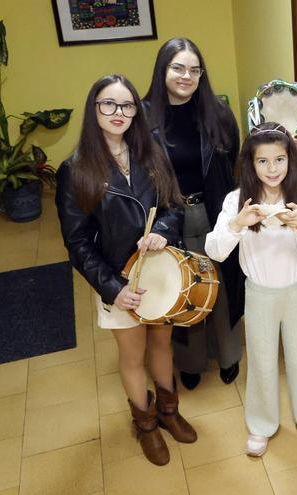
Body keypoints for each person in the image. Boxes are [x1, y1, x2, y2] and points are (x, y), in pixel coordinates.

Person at [56, 74, 195, 466]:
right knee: (133, 356)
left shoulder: (151, 152)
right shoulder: (76, 169)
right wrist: (113, 288)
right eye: (108, 104)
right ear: (94, 109)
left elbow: (173, 205)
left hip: (160, 274)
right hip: (119, 282)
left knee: (162, 345)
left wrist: (164, 231)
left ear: (137, 111)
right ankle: (146, 424)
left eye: (127, 105)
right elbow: (77, 243)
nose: (118, 112)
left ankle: (169, 410)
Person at [204, 122, 297, 456]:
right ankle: (261, 425)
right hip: (258, 293)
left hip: (296, 290)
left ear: (290, 161)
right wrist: (237, 224)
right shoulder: (237, 200)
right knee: (261, 361)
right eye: (263, 161)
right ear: (250, 163)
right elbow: (215, 250)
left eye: (279, 160)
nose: (272, 169)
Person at [143, 37, 243, 390]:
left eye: (194, 70)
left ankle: (229, 354)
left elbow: (234, 163)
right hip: (169, 218)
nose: (187, 76)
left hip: (213, 210)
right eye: (178, 68)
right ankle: (191, 360)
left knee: (221, 283)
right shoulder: (143, 117)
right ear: (163, 70)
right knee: (183, 286)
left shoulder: (218, 112)